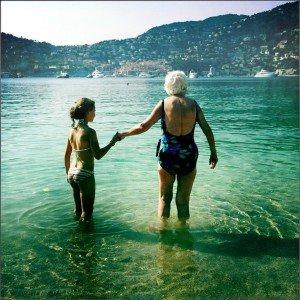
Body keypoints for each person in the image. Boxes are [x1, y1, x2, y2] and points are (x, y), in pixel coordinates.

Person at [119, 71, 218, 225]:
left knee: (165, 198)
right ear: (185, 85)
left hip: (167, 155)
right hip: (189, 155)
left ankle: (163, 237)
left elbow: (144, 126)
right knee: (183, 200)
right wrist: (213, 152)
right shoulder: (194, 104)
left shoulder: (164, 103)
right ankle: (184, 237)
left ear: (167, 86)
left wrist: (124, 134)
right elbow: (207, 129)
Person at [64, 97, 120, 220]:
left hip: (72, 173)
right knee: (87, 214)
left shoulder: (71, 131)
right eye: (94, 110)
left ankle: (76, 235)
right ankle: (86, 238)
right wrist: (112, 142)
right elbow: (98, 155)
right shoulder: (89, 132)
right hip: (85, 173)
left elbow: (67, 155)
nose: (95, 114)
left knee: (78, 210)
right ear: (88, 112)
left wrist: (67, 173)